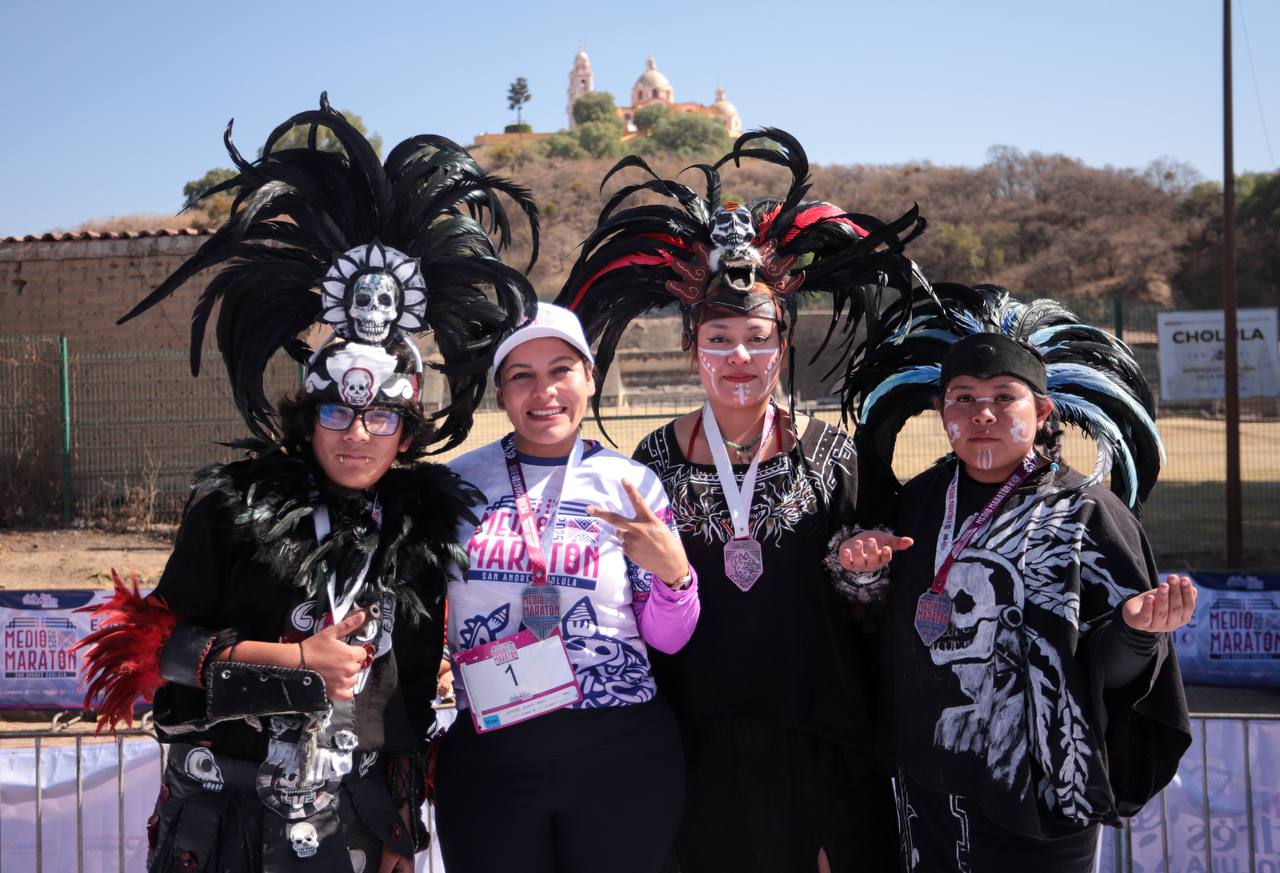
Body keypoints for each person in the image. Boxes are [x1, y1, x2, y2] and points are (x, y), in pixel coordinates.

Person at [76, 95, 536, 873]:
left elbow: (408, 702)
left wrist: (400, 827)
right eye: (337, 411)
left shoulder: (418, 533)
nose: (357, 433)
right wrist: (295, 660)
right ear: (307, 413)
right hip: (222, 826)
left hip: (347, 830)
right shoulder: (232, 505)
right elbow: (157, 650)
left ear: (407, 431)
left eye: (380, 416)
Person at [555, 130, 930, 873]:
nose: (738, 358)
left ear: (782, 347)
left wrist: (864, 575)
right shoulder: (651, 463)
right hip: (694, 738)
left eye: (757, 338)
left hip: (819, 738)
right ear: (691, 347)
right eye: (719, 338)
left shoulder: (834, 455)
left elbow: (881, 611)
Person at [838, 287, 1195, 873]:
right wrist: (861, 573)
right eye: (964, 398)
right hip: (926, 789)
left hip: (1038, 798)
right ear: (942, 412)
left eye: (1005, 398)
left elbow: (1110, 678)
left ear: (1044, 412)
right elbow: (881, 631)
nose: (983, 414)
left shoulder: (1089, 515)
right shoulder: (918, 501)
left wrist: (1136, 632)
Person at [433, 302, 700, 873]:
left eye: (561, 370)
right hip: (491, 759)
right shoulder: (455, 486)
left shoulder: (631, 484)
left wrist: (675, 576)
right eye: (521, 375)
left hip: (618, 756)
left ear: (590, 378)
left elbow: (669, 639)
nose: (544, 391)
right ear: (499, 393)